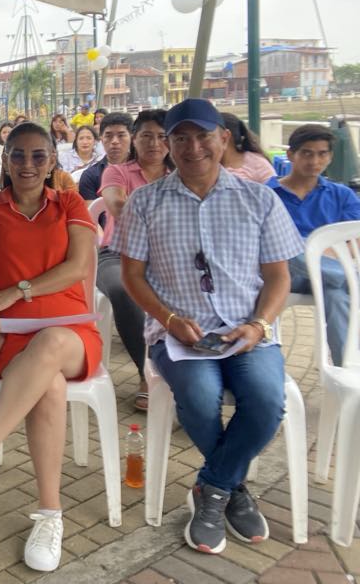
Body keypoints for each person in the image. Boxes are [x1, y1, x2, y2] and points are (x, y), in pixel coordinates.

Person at [114, 98, 302, 556]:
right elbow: (132, 276)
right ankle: (232, 490)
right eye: (181, 138)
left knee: (266, 402)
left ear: (224, 138)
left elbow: (279, 277)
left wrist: (259, 324)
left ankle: (214, 488)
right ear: (168, 144)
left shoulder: (259, 198)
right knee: (199, 398)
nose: (193, 147)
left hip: (247, 330)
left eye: (203, 136)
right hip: (177, 332)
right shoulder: (145, 202)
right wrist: (169, 319)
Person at [0, 122, 99, 573]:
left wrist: (17, 292)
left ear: (51, 162)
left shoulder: (69, 203)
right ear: (5, 160)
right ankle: (50, 515)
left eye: (38, 155)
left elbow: (78, 267)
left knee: (51, 344)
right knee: (49, 386)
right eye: (17, 155)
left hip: (71, 330)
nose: (27, 164)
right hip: (8, 332)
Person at [96, 109, 172, 410]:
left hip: (169, 256)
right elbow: (119, 208)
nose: (154, 143)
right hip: (119, 253)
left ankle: (189, 368)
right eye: (146, 136)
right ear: (135, 140)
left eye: (162, 136)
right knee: (122, 289)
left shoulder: (181, 174)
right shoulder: (118, 172)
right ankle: (147, 373)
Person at [267, 124, 360, 366]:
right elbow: (262, 243)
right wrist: (315, 251)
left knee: (337, 297)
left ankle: (347, 370)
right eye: (307, 153)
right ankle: (350, 278)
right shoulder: (267, 194)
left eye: (322, 154)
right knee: (289, 244)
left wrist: (324, 254)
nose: (315, 161)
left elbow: (355, 239)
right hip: (284, 274)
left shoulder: (341, 194)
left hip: (327, 276)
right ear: (291, 155)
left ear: (330, 156)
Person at [79, 112, 133, 202]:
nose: (115, 141)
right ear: (101, 138)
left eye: (121, 135)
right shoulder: (90, 176)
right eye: (109, 136)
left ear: (132, 137)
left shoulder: (145, 170)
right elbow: (92, 209)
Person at [220, 113, 275, 183]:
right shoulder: (210, 165)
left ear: (226, 137)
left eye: (209, 136)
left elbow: (274, 188)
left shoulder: (257, 163)